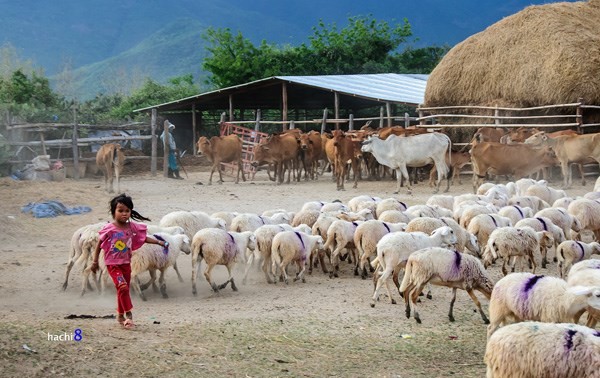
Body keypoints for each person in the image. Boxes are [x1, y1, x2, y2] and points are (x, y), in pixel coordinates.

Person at [89, 193, 168, 329]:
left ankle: (119, 314)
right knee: (123, 287)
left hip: (126, 263)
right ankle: (129, 315)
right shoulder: (109, 229)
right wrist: (95, 262)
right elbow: (99, 244)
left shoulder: (132, 227)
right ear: (114, 212)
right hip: (113, 264)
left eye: (127, 211)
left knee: (122, 290)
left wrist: (159, 242)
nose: (124, 214)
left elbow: (144, 238)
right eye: (120, 211)